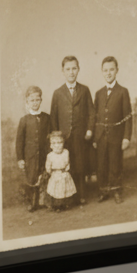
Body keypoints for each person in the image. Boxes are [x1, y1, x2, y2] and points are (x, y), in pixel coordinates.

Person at [49, 56, 94, 204]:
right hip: (63, 138)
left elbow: (91, 112)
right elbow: (54, 117)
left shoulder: (84, 90)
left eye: (74, 68)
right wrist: (56, 139)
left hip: (80, 135)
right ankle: (66, 197)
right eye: (68, 69)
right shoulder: (58, 93)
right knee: (65, 164)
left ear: (78, 69)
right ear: (63, 71)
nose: (71, 72)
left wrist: (89, 130)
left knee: (79, 164)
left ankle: (81, 194)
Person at [92, 56, 133, 204]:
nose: (108, 73)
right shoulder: (98, 93)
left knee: (115, 163)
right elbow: (94, 117)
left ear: (117, 71)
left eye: (111, 69)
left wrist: (126, 137)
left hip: (117, 135)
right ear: (102, 72)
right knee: (101, 164)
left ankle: (117, 191)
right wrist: (95, 137)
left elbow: (128, 117)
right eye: (105, 70)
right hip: (101, 136)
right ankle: (103, 191)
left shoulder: (123, 91)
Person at [15, 85, 51, 212]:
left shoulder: (47, 118)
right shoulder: (24, 120)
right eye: (32, 100)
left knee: (43, 176)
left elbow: (49, 136)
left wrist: (50, 153)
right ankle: (32, 203)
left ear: (41, 100)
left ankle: (42, 201)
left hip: (44, 154)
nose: (35, 103)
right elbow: (19, 141)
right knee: (31, 178)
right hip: (29, 156)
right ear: (27, 102)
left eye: (37, 100)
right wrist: (20, 158)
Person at [44, 131, 76, 211]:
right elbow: (48, 166)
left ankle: (65, 204)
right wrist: (51, 172)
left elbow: (68, 163)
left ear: (63, 143)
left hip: (64, 173)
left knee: (65, 188)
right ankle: (57, 205)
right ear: (51, 145)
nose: (57, 146)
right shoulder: (50, 155)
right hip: (55, 174)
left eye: (60, 143)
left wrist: (66, 170)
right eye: (54, 143)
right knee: (56, 190)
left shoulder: (66, 152)